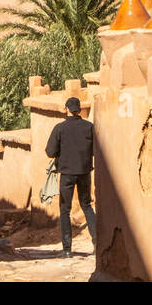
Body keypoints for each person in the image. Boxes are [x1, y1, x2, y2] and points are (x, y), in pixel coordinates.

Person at [44, 96, 96, 258]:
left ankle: (67, 250)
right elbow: (96, 150)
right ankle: (97, 243)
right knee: (86, 206)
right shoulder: (89, 127)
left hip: (67, 174)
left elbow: (50, 152)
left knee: (65, 210)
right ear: (79, 110)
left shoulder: (60, 128)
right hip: (84, 172)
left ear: (66, 109)